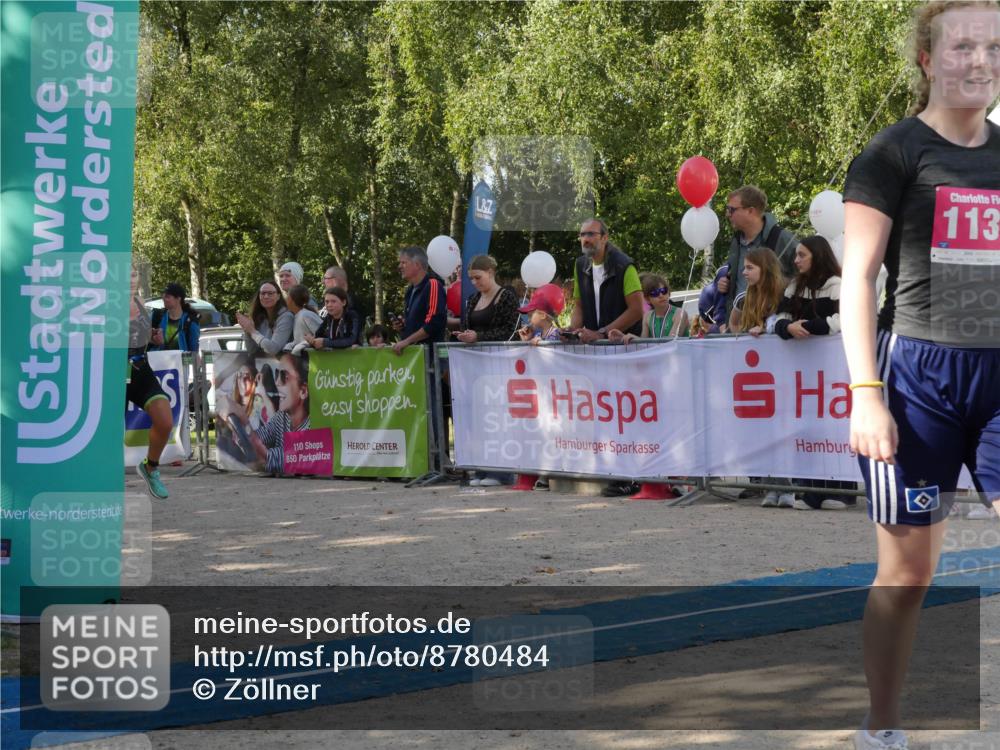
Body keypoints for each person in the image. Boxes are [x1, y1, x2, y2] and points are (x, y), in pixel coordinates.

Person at [840, 3, 1000, 748]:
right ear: (928, 60)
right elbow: (857, 281)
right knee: (908, 579)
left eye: (994, 46)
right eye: (963, 45)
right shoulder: (893, 153)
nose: (980, 60)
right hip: (919, 382)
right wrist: (866, 396)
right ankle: (881, 727)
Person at [773, 235, 857, 511]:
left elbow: (842, 319)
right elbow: (778, 319)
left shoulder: (838, 285)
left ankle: (842, 491)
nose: (796, 261)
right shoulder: (794, 286)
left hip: (833, 370)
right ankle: (810, 490)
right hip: (802, 372)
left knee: (834, 427)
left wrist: (807, 326)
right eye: (796, 255)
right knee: (807, 426)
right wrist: (788, 328)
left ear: (817, 256)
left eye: (801, 255)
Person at [718, 185, 798, 322]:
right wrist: (725, 283)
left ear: (750, 211)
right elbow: (737, 281)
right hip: (738, 325)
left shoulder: (781, 238)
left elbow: (805, 276)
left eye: (732, 210)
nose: (727, 214)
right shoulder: (736, 241)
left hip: (770, 327)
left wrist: (778, 283)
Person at [127, 267, 173, 499]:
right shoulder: (103, 304)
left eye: (134, 275)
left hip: (140, 370)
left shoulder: (140, 301)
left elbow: (142, 340)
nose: (131, 279)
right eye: (125, 275)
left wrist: (155, 340)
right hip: (112, 373)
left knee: (165, 421)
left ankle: (150, 467)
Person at [228, 352, 310, 475]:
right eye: (277, 374)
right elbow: (261, 437)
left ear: (303, 391)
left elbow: (271, 458)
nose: (277, 382)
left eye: (284, 376)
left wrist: (241, 422)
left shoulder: (312, 427)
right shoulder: (282, 417)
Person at [570, 218, 644, 343]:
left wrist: (601, 333)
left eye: (591, 234)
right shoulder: (580, 265)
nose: (586, 239)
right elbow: (579, 306)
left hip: (624, 346)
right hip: (595, 349)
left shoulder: (624, 265)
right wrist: (572, 331)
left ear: (605, 238)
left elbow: (636, 310)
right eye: (582, 235)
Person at [390, 246, 447, 355]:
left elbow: (433, 323)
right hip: (414, 359)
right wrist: (402, 326)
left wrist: (407, 341)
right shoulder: (409, 290)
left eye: (403, 263)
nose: (399, 266)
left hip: (430, 358)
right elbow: (417, 324)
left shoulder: (433, 285)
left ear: (417, 265)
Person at [454, 255, 520, 344]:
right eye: (471, 278)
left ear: (490, 273)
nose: (474, 282)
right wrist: (464, 334)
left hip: (499, 355)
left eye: (477, 277)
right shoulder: (472, 298)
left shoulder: (507, 297)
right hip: (473, 355)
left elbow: (513, 331)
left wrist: (478, 336)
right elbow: (467, 327)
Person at [608, 273, 689, 343]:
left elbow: (671, 342)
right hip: (661, 358)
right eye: (655, 293)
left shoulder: (680, 314)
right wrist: (624, 337)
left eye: (664, 291)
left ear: (669, 292)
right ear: (647, 299)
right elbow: (644, 343)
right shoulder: (647, 316)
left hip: (679, 359)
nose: (661, 295)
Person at [727, 246, 786, 337]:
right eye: (744, 268)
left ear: (766, 269)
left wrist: (765, 332)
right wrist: (743, 339)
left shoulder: (785, 295)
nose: (744, 272)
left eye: (749, 268)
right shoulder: (743, 299)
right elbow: (733, 323)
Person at [236, 280, 294, 357]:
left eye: (270, 293)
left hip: (285, 366)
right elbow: (252, 350)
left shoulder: (286, 317)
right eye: (263, 293)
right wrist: (247, 330)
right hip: (264, 365)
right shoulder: (260, 317)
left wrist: (252, 331)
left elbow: (273, 349)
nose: (266, 296)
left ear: (278, 296)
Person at [149, 282, 200, 352]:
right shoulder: (157, 315)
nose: (163, 299)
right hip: (159, 361)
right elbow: (143, 340)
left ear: (178, 298)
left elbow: (194, 350)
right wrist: (152, 338)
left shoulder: (190, 321)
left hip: (182, 362)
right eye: (163, 296)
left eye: (167, 296)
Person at [285, 284, 323, 353]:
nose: (285, 299)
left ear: (291, 299)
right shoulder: (297, 315)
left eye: (287, 296)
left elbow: (322, 335)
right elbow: (299, 339)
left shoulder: (306, 315)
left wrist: (304, 344)